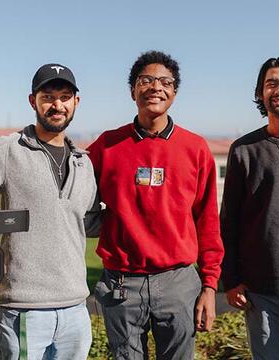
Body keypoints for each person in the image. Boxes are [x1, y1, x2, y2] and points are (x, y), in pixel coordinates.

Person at [0, 63, 99, 359]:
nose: (57, 105)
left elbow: (90, 222)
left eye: (65, 96)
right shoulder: (8, 150)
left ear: (76, 102)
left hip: (76, 310)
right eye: (48, 96)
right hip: (24, 310)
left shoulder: (84, 163)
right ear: (33, 101)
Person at [87, 50, 224, 360]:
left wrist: (210, 286)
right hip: (121, 283)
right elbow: (72, 192)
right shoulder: (106, 146)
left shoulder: (195, 148)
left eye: (165, 81)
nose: (155, 87)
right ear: (133, 90)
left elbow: (208, 222)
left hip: (178, 282)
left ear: (174, 92)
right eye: (145, 80)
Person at [221, 56, 279, 359]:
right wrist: (231, 279)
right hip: (259, 291)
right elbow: (229, 222)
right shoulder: (244, 150)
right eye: (270, 83)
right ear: (261, 94)